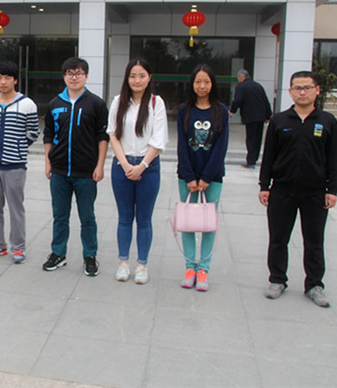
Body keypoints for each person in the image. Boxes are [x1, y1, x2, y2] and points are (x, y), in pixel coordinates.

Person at [259, 71, 337, 308]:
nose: (302, 92)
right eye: (297, 88)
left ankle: (314, 284)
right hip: (282, 190)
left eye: (307, 87)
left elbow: (334, 158)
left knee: (314, 241)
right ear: (290, 91)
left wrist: (332, 189)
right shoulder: (279, 121)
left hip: (315, 192)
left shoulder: (327, 121)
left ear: (317, 90)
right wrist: (265, 186)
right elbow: (269, 156)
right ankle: (277, 279)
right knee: (278, 239)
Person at [42, 57, 109, 276]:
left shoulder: (96, 104)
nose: (74, 77)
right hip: (60, 172)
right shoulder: (55, 104)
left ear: (86, 76)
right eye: (70, 73)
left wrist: (100, 165)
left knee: (87, 217)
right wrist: (48, 162)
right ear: (64, 76)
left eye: (79, 73)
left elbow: (102, 137)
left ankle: (90, 256)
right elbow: (48, 135)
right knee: (60, 216)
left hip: (86, 173)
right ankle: (58, 253)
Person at [108, 58, 168, 284]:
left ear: (149, 77)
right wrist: (125, 165)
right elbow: (112, 134)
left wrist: (142, 166)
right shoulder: (118, 101)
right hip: (121, 167)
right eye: (133, 76)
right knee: (124, 218)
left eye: (142, 76)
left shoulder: (156, 103)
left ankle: (142, 265)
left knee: (144, 219)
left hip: (148, 168)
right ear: (127, 78)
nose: (137, 80)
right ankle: (123, 263)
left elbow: (159, 139)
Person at [176, 63, 229, 292]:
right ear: (192, 84)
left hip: (212, 176)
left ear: (212, 84)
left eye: (206, 81)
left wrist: (207, 176)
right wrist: (189, 176)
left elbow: (221, 147)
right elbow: (181, 145)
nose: (202, 86)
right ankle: (190, 268)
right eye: (198, 81)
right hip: (187, 175)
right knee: (188, 223)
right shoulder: (183, 110)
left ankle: (204, 270)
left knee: (208, 224)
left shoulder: (221, 111)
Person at [0, 61, 39, 264]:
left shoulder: (27, 104)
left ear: (15, 80)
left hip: (15, 166)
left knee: (16, 208)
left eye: (7, 77)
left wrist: (17, 147)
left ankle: (18, 247)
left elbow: (33, 132)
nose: (3, 82)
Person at [230, 69, 272, 168]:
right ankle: (253, 160)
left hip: (250, 116)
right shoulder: (258, 86)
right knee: (257, 139)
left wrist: (232, 110)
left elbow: (237, 100)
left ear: (241, 77)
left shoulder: (241, 86)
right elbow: (265, 101)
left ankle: (251, 162)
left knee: (251, 139)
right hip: (260, 116)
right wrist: (268, 116)